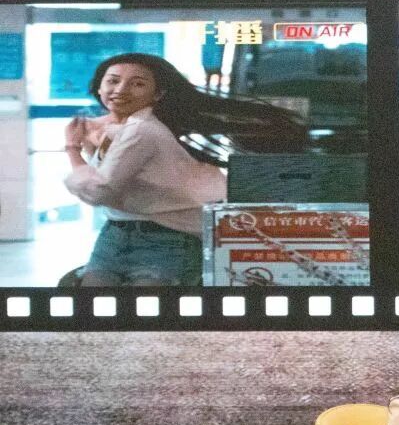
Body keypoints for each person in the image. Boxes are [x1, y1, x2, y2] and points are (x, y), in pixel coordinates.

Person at [62, 52, 305, 286]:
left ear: (157, 95)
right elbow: (110, 179)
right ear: (99, 87)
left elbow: (100, 190)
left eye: (137, 84)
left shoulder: (141, 130)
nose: (121, 89)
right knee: (102, 306)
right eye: (113, 81)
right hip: (115, 234)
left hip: (166, 239)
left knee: (134, 309)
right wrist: (91, 143)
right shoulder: (120, 128)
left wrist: (72, 148)